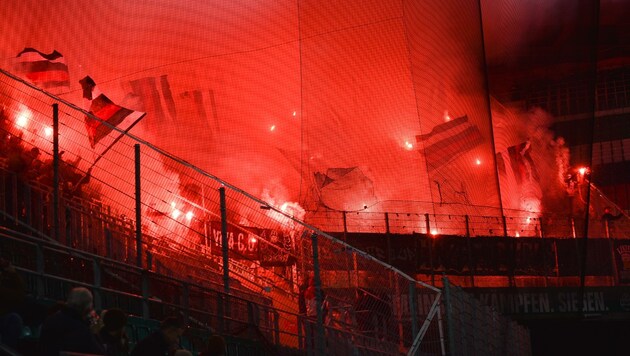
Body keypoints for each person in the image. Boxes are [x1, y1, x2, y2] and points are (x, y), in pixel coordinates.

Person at [39, 287, 106, 356]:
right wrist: (95, 333)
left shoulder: (51, 320)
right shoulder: (81, 329)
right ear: (88, 307)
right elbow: (100, 353)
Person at [0, 258, 26, 350]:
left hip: (3, 316)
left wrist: (13, 274)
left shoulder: (6, 280)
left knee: (14, 319)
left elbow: (20, 296)